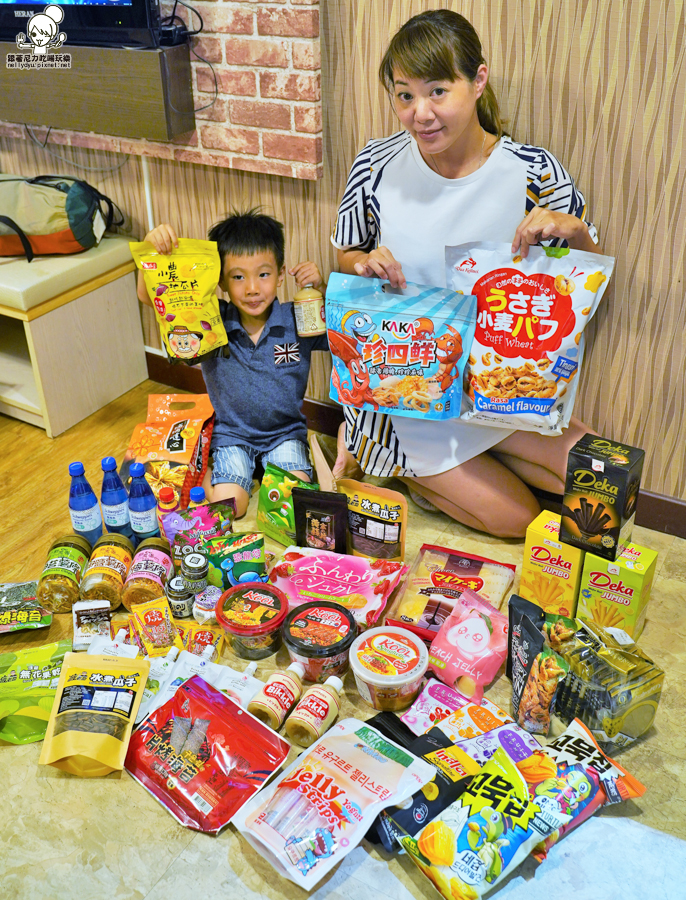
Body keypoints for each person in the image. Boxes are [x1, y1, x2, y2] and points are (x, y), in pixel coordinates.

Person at [332, 9, 602, 539]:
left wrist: (570, 229)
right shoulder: (376, 165)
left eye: (437, 91)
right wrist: (366, 263)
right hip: (406, 391)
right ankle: (391, 459)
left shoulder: (533, 171)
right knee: (518, 521)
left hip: (496, 386)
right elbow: (345, 258)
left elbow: (587, 268)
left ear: (478, 81)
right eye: (404, 94)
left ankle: (468, 461)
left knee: (594, 467)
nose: (420, 113)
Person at [137, 210, 328, 518]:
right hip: (232, 435)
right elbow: (152, 298)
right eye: (238, 277)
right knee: (229, 509)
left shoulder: (298, 318)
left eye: (263, 274)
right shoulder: (213, 321)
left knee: (288, 507)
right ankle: (205, 471)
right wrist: (150, 249)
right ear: (221, 282)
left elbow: (343, 331)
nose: (252, 288)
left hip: (285, 433)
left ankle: (265, 473)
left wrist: (320, 290)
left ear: (281, 274)